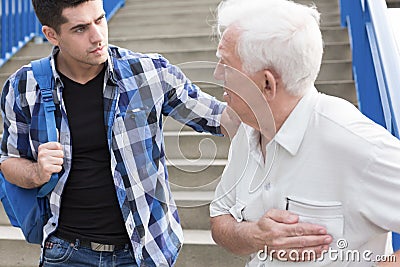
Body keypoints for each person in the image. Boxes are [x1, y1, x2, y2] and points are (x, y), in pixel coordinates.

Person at [0, 0, 332, 266]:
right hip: (67, 252)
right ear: (51, 34)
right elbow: (7, 160)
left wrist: (283, 88)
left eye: (100, 20)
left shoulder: (148, 73)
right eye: (81, 28)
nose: (98, 36)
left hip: (145, 250)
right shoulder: (24, 86)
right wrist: (35, 172)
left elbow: (224, 119)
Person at [209, 0, 400, 266]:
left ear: (267, 84)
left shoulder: (356, 143)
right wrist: (255, 235)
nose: (217, 74)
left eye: (226, 65)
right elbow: (220, 217)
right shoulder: (248, 130)